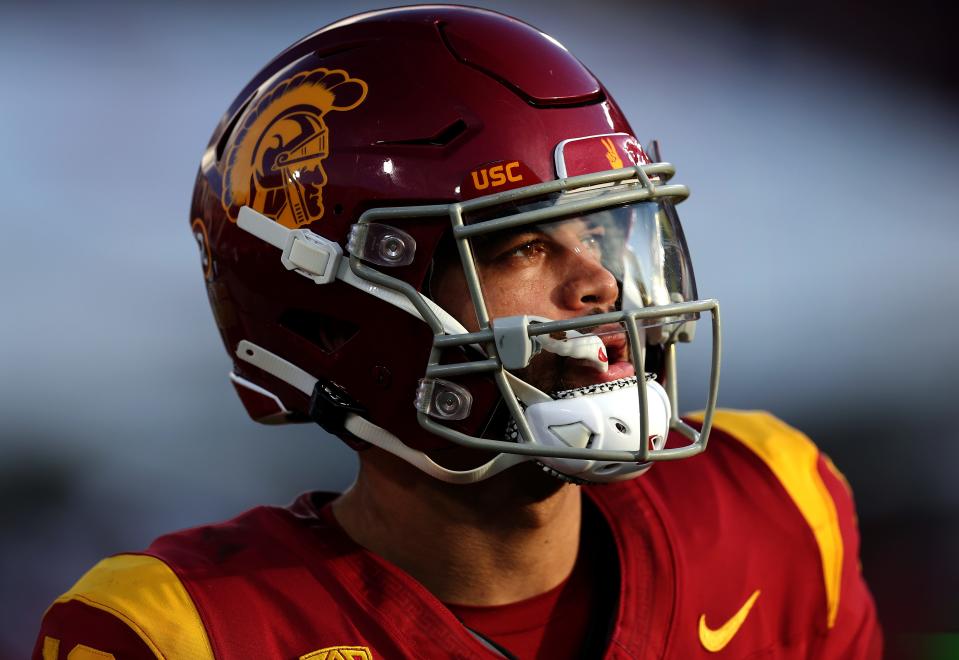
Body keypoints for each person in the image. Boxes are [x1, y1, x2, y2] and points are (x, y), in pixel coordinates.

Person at [34, 6, 882, 659]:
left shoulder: (774, 503)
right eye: (519, 245)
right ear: (343, 315)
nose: (600, 282)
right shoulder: (187, 632)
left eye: (601, 231)